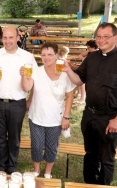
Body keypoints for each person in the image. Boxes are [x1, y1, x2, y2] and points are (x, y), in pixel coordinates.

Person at [63, 22, 117, 185]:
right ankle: (90, 183)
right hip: (89, 115)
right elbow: (78, 81)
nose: (101, 40)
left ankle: (104, 185)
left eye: (106, 36)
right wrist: (68, 69)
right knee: (90, 153)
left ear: (115, 38)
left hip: (110, 118)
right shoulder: (91, 58)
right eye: (98, 36)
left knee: (106, 158)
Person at [0, 26, 38, 174]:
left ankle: (12, 166)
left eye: (11, 37)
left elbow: (33, 83)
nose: (8, 41)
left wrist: (29, 100)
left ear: (18, 38)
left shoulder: (27, 57)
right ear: (2, 38)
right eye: (5, 38)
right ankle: (1, 166)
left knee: (14, 137)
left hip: (17, 103)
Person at [20, 42, 75, 179]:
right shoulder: (36, 71)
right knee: (37, 146)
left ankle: (48, 172)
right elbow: (26, 88)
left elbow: (70, 96)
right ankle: (37, 170)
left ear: (57, 55)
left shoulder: (64, 73)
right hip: (37, 116)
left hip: (56, 118)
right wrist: (23, 76)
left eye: (50, 54)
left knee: (52, 147)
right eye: (43, 55)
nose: (46, 57)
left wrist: (66, 117)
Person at [76, 40, 98, 104]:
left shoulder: (98, 54)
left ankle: (83, 98)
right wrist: (83, 59)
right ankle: (79, 92)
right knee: (77, 74)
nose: (87, 49)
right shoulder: (89, 52)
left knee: (82, 81)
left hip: (92, 72)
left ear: (93, 47)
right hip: (86, 69)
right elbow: (80, 55)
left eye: (89, 47)